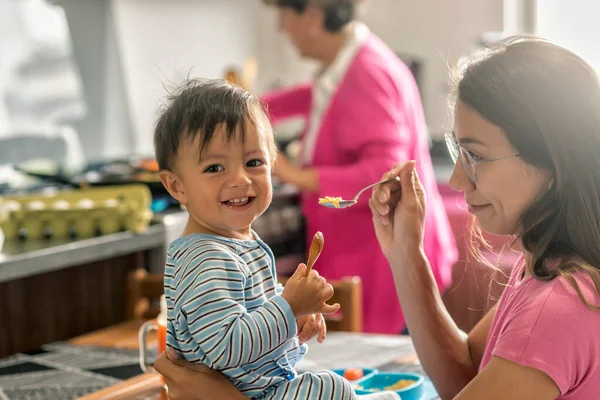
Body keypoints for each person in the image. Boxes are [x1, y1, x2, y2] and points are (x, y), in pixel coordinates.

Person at [154, 36, 600, 399]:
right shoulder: (547, 271)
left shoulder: (557, 307)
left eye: (476, 156)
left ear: (552, 164)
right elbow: (464, 375)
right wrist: (406, 254)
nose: (459, 180)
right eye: (457, 152)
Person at [154, 79, 399, 399]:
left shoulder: (236, 243)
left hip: (261, 388)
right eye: (215, 167)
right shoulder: (205, 258)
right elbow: (226, 349)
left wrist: (294, 314)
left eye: (253, 162)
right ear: (176, 186)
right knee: (328, 387)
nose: (240, 179)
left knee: (325, 384)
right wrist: (288, 307)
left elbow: (252, 316)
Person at [261, 0, 457, 334]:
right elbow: (319, 96)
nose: (282, 28)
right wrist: (249, 106)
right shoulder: (351, 63)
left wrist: (292, 173)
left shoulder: (367, 73)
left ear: (312, 16)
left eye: (285, 15)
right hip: (368, 257)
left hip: (379, 264)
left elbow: (384, 172)